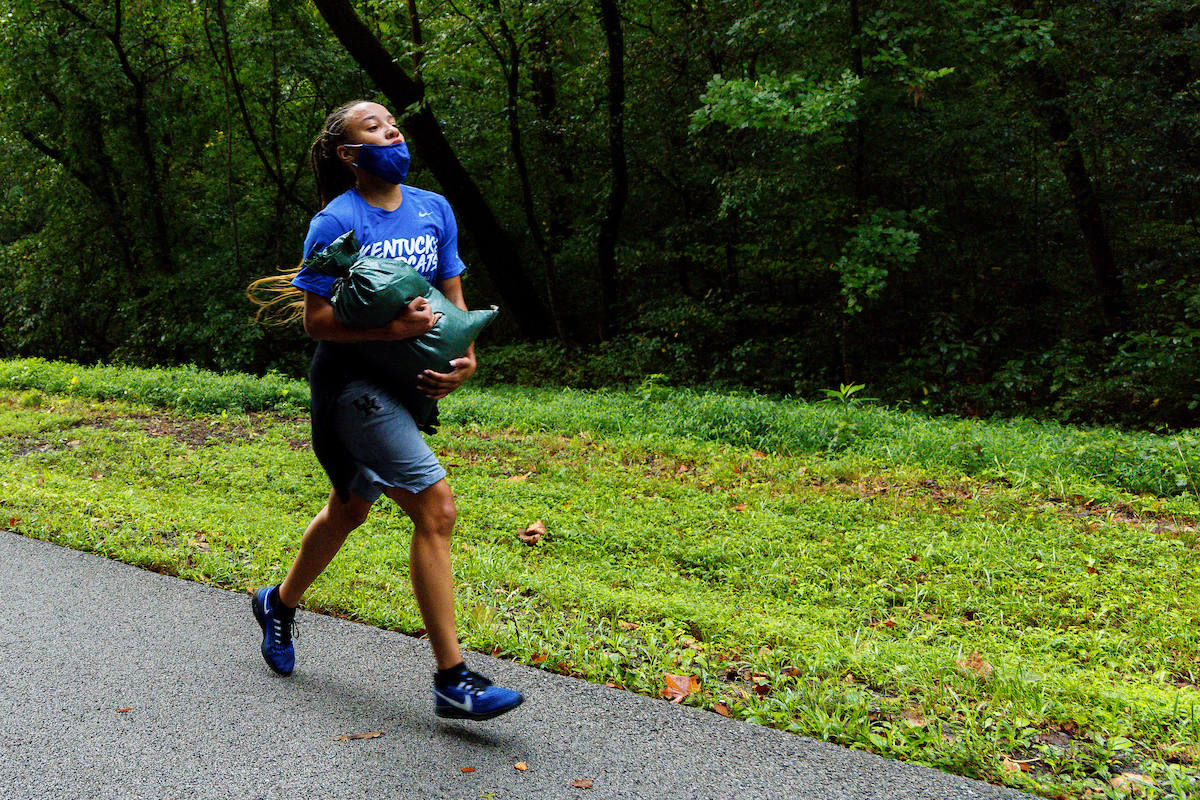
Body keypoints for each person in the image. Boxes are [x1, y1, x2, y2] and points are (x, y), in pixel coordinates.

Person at [247, 99, 523, 721]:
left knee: (349, 509)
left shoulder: (434, 208)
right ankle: (452, 679)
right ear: (349, 154)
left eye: (392, 122)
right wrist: (392, 333)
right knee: (436, 506)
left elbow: (451, 293)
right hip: (351, 388)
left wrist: (465, 355)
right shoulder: (336, 222)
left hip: (407, 386)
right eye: (373, 127)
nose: (391, 131)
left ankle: (277, 603)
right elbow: (318, 321)